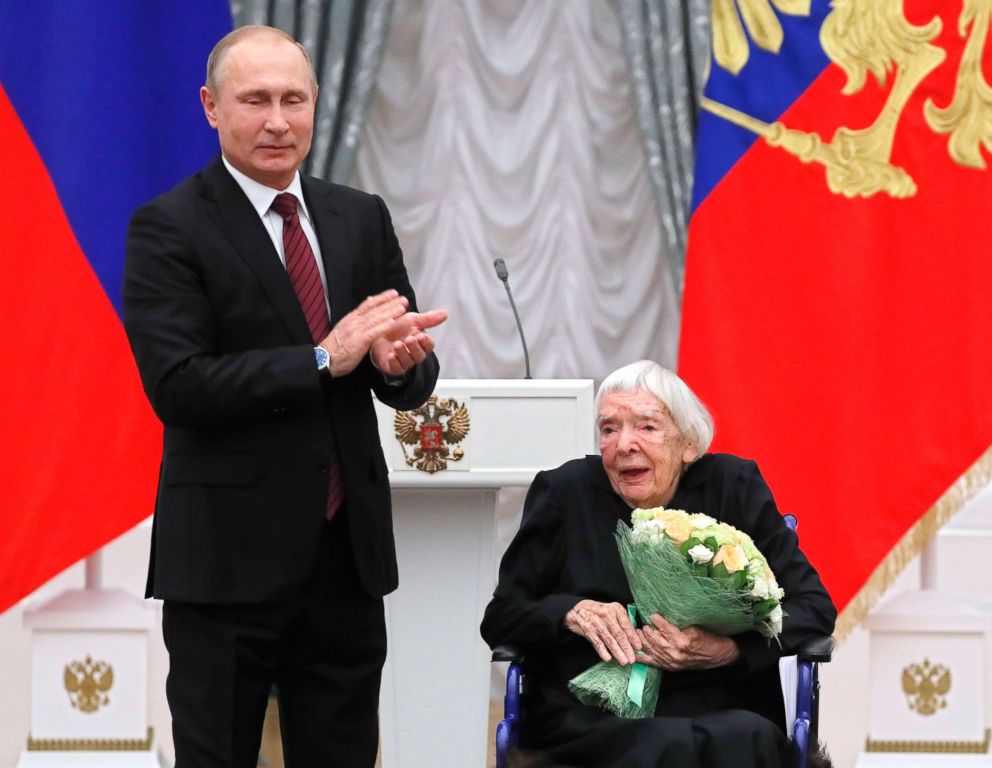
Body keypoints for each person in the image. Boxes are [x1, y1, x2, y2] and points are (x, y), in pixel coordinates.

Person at [122, 25, 446, 768]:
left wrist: (397, 364)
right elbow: (180, 386)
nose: (277, 120)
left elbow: (405, 373)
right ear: (210, 107)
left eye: (293, 99)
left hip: (345, 562)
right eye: (256, 100)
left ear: (317, 102)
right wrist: (321, 359)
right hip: (225, 566)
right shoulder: (169, 227)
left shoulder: (358, 215)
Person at [481, 360, 836, 768]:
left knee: (739, 738)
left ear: (688, 444)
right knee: (665, 746)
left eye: (646, 427)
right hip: (594, 719)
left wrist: (727, 649)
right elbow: (502, 616)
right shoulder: (565, 493)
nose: (624, 444)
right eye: (609, 428)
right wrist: (569, 613)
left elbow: (813, 608)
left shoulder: (733, 488)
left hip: (720, 707)